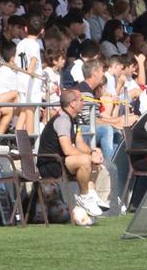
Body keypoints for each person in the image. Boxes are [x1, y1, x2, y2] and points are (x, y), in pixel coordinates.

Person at [36, 82, 106, 220]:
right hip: (49, 164)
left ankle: (91, 194)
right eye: (81, 100)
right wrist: (89, 157)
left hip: (61, 161)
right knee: (85, 160)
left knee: (93, 161)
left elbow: (80, 144)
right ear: (72, 104)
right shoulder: (63, 120)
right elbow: (68, 149)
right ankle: (85, 196)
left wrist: (93, 152)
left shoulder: (74, 119)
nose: (84, 102)